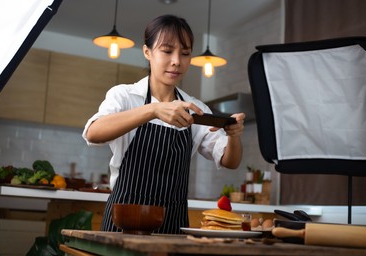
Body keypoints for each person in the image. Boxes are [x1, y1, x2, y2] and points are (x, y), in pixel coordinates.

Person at [82, 14, 245, 234]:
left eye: (185, 53)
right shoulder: (125, 96)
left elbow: (230, 161)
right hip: (123, 223)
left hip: (173, 225)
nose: (177, 60)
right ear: (147, 52)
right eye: (167, 51)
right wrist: (153, 110)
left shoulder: (195, 108)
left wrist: (234, 135)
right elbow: (93, 132)